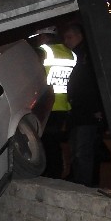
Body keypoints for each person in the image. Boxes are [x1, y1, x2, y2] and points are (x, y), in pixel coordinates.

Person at [30, 26, 76, 179]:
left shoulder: (43, 51)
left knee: (43, 143)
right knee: (55, 143)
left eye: (38, 37)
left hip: (45, 105)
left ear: (43, 36)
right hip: (62, 105)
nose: (37, 41)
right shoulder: (71, 54)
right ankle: (56, 172)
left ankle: (48, 173)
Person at [63, 23, 104, 187]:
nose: (66, 41)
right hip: (79, 110)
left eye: (69, 37)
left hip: (87, 111)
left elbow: (93, 84)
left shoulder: (87, 55)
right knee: (77, 149)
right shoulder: (77, 55)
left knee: (82, 150)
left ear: (79, 36)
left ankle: (84, 184)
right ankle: (79, 180)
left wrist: (97, 108)